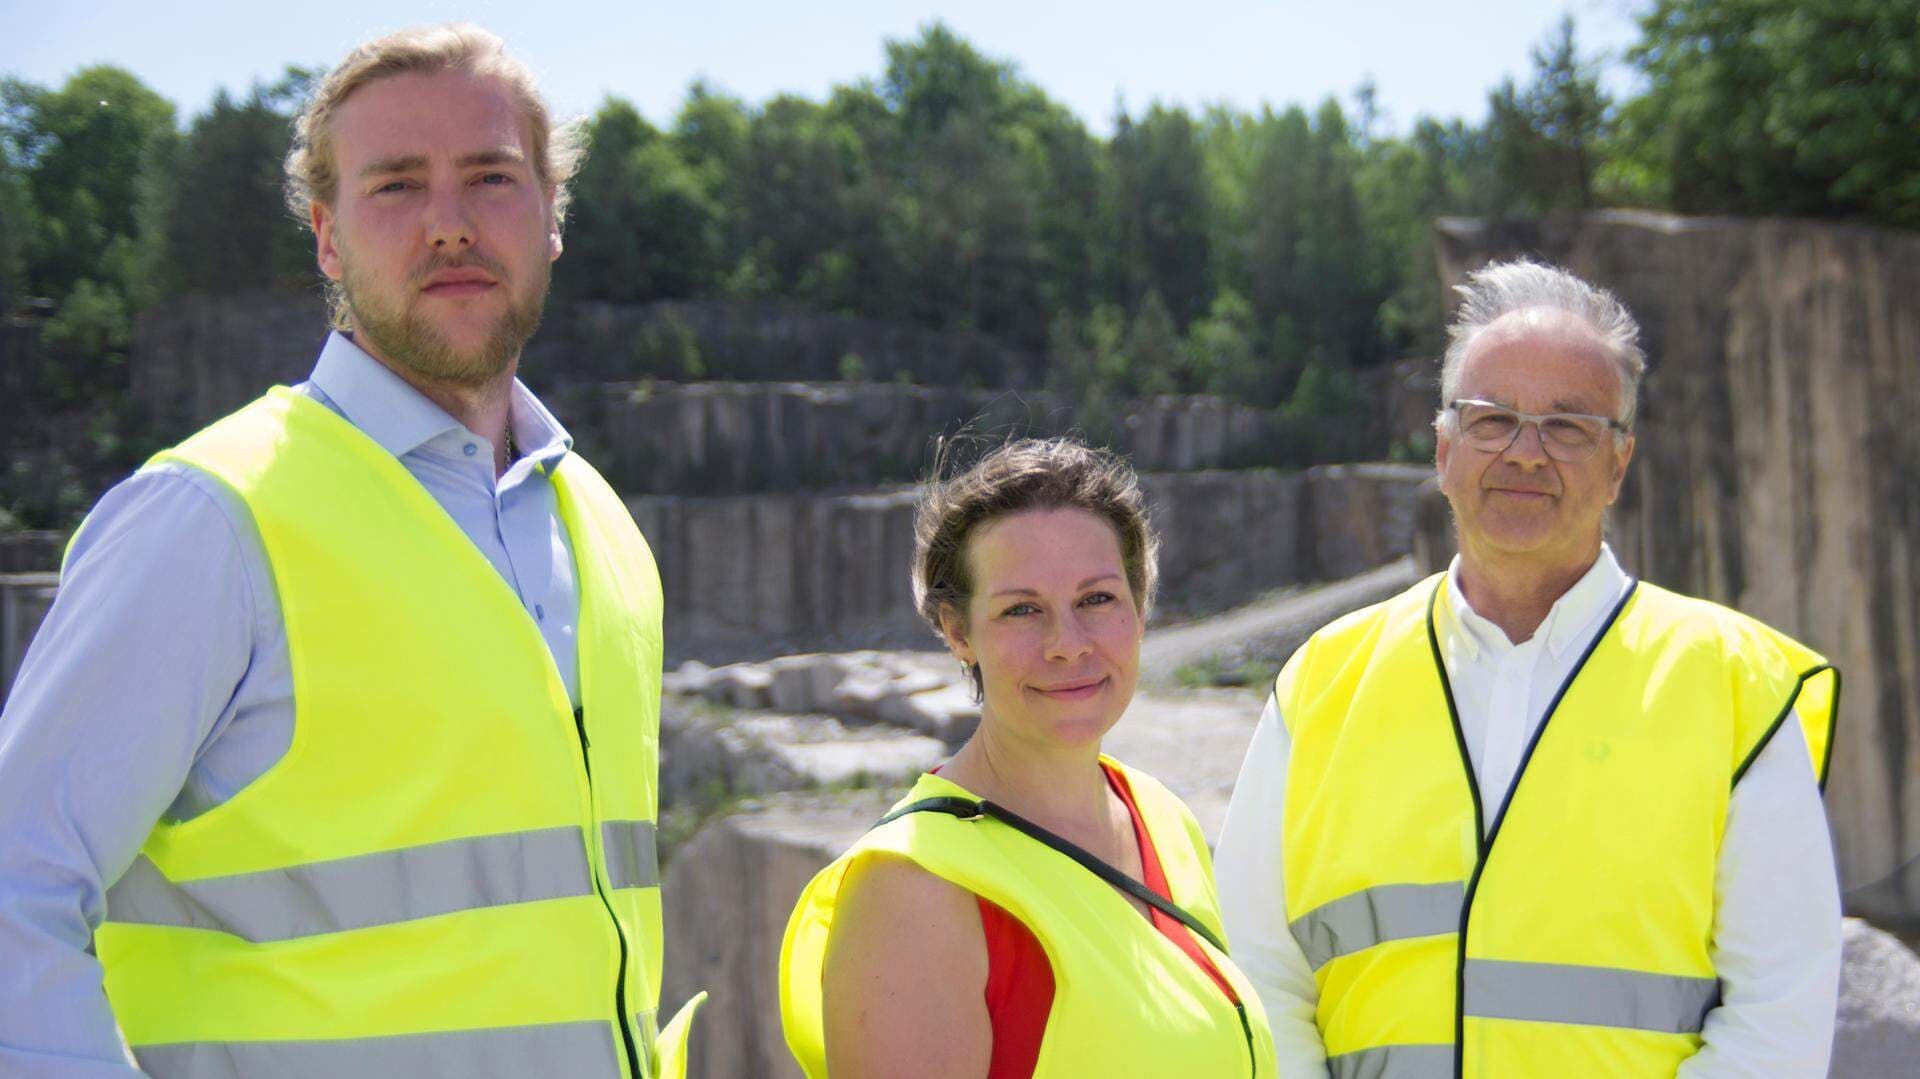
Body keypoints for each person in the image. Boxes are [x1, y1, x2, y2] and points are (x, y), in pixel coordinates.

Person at [0, 24, 701, 1078]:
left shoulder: (600, 526)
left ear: (552, 217)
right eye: (397, 186)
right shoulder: (207, 520)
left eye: (491, 178)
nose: (451, 224)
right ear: (328, 238)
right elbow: (17, 883)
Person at [1215, 259, 1842, 1076]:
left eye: (1569, 425)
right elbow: (1256, 972)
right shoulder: (1322, 680)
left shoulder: (1736, 687)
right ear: (1443, 449)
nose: (1525, 452)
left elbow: (1779, 1011)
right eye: (1492, 419)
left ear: (1619, 463)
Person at [779, 438, 1279, 1078]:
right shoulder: (913, 892)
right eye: (1022, 610)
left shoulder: (1161, 818)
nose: (1067, 645)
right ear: (959, 633)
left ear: (1141, 605)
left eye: (1097, 599)